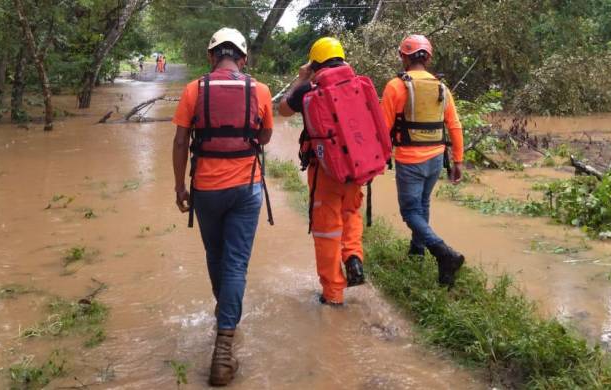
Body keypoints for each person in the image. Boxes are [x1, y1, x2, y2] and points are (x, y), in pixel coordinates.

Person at [172, 27, 274, 386]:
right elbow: (264, 136)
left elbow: (182, 140)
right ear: (242, 59)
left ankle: (224, 317)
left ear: (212, 56)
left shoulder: (192, 90)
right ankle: (225, 344)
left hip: (206, 189)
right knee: (235, 265)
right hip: (247, 188)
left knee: (216, 258)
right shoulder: (260, 90)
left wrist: (179, 186)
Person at [279, 37, 377, 306]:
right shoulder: (357, 83)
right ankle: (353, 257)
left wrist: (301, 79)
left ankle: (333, 293)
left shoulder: (308, 88)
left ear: (314, 62)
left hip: (325, 172)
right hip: (357, 169)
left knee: (327, 232)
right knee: (350, 214)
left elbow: (283, 110)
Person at [380, 34, 465, 287]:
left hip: (409, 159)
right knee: (423, 204)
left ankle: (443, 253)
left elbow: (383, 128)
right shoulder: (442, 87)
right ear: (427, 58)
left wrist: (381, 157)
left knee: (410, 212)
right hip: (436, 158)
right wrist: (458, 161)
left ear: (403, 56)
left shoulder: (395, 86)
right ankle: (417, 251)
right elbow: (455, 125)